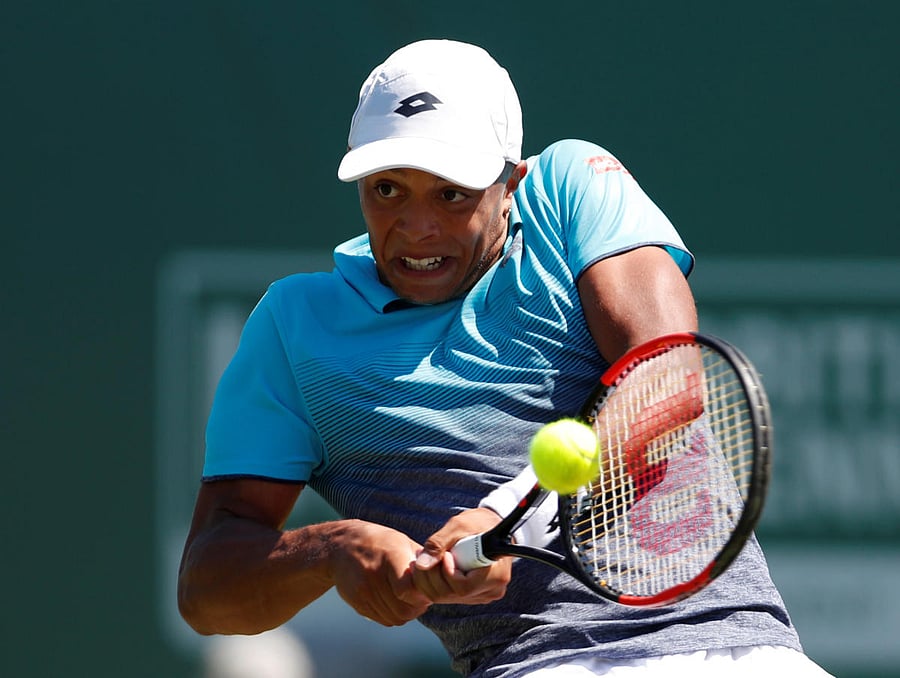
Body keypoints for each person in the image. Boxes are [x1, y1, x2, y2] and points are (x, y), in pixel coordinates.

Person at [177, 39, 832, 677]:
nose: (416, 225)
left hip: (746, 652)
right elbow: (206, 587)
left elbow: (666, 378)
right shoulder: (295, 329)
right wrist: (330, 549)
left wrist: (506, 515)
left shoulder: (568, 188)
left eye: (451, 194)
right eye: (387, 190)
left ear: (512, 180)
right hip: (541, 663)